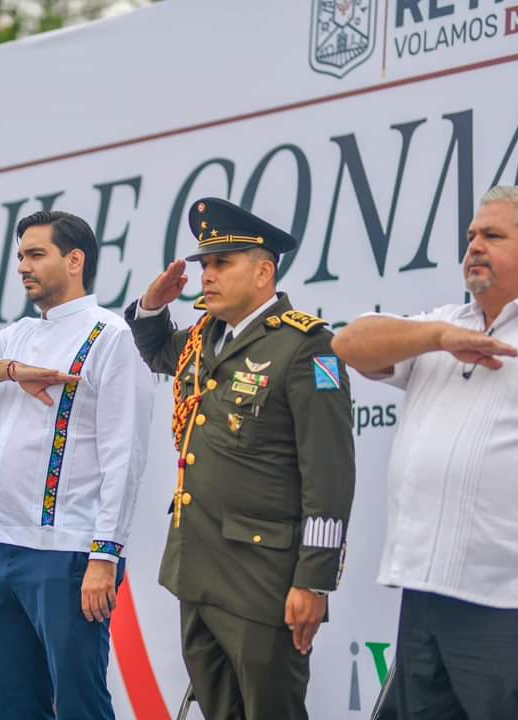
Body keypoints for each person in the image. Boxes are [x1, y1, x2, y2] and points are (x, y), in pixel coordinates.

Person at [332, 185, 518, 720]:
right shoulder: (445, 324)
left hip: (514, 603)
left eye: (492, 235)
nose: (475, 247)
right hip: (425, 594)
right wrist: (441, 337)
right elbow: (348, 344)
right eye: (471, 236)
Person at [125, 198, 356, 720]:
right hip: (196, 567)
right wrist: (152, 306)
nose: (207, 275)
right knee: (219, 710)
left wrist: (314, 579)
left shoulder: (306, 347)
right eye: (205, 264)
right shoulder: (204, 338)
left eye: (221, 264)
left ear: (263, 270)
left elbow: (330, 474)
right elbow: (158, 349)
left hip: (262, 578)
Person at [0, 210, 154, 720]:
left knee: (79, 702)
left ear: (75, 260)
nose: (23, 267)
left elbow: (125, 455)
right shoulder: (19, 334)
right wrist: (5, 372)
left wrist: (105, 556)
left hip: (68, 551)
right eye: (20, 257)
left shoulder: (112, 336)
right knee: (11, 703)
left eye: (35, 255)